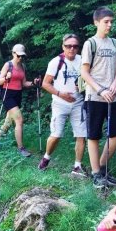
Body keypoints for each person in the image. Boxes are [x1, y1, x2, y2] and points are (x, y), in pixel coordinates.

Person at [80, 6, 116, 188]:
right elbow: (84, 72)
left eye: (111, 22)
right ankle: (96, 173)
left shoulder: (115, 43)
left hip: (114, 95)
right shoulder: (90, 43)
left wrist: (114, 84)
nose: (109, 25)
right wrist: (100, 89)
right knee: (94, 135)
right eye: (106, 22)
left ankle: (103, 166)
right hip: (95, 96)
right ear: (96, 22)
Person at [37, 34, 87, 176]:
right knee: (56, 134)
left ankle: (77, 167)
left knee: (81, 135)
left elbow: (87, 79)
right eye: (68, 46)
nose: (72, 49)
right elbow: (45, 83)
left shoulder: (83, 61)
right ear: (63, 47)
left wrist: (82, 87)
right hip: (60, 103)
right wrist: (60, 94)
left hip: (78, 103)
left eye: (75, 46)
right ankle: (46, 158)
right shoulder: (56, 62)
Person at [0, 44, 40, 157]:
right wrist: (6, 78)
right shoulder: (8, 65)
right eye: (19, 56)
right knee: (19, 120)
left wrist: (34, 83)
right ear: (13, 53)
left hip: (17, 95)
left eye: (22, 56)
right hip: (8, 94)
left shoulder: (22, 66)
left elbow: (24, 83)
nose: (21, 58)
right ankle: (21, 148)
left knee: (8, 121)